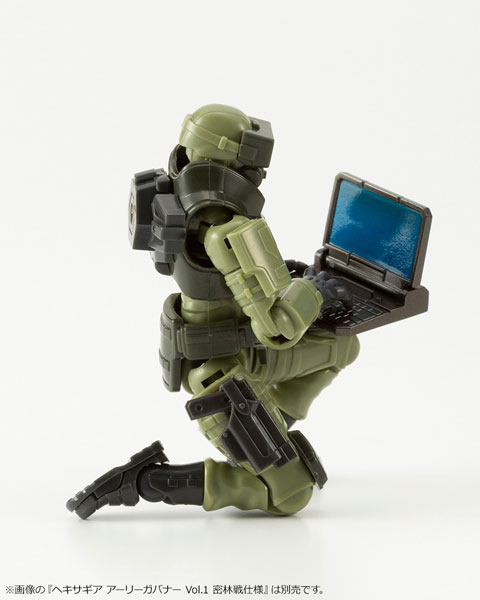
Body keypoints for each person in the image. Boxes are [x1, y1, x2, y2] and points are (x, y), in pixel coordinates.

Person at [67, 104, 359, 519]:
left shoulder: (174, 204)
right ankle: (146, 481)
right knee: (290, 496)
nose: (256, 176)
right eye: (250, 165)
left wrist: (290, 279)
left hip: (234, 348)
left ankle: (271, 430)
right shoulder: (225, 227)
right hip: (222, 376)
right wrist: (316, 290)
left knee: (342, 346)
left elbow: (224, 283)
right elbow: (278, 328)